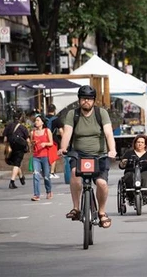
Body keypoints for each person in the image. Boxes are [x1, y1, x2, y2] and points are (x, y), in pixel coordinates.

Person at [58, 85, 117, 229]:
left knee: (102, 184)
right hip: (79, 155)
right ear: (79, 100)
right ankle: (76, 208)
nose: (86, 101)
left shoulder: (101, 113)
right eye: (84, 98)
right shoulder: (73, 114)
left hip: (99, 156)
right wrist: (63, 148)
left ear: (94, 101)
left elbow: (109, 133)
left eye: (89, 99)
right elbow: (67, 133)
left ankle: (102, 212)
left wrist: (112, 150)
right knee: (74, 173)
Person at [119, 135, 147, 205]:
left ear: (145, 144)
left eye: (142, 142)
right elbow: (121, 166)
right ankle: (131, 197)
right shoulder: (129, 154)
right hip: (131, 171)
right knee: (129, 176)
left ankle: (144, 196)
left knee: (146, 177)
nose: (140, 144)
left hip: (145, 171)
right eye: (138, 142)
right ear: (135, 143)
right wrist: (123, 162)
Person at [29, 114, 54, 201]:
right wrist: (32, 143)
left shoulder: (47, 131)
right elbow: (31, 146)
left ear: (42, 122)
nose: (36, 122)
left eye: (38, 120)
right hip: (36, 156)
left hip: (45, 156)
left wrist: (45, 144)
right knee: (36, 175)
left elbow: (51, 143)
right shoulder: (33, 132)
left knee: (46, 176)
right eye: (35, 120)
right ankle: (36, 195)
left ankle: (49, 191)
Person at [3, 111, 30, 189]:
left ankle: (21, 177)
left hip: (11, 147)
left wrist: (8, 146)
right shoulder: (23, 128)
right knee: (17, 164)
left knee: (16, 163)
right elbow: (27, 140)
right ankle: (12, 182)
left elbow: (5, 139)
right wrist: (29, 147)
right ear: (21, 118)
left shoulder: (8, 126)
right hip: (20, 148)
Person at [46, 104, 64, 179]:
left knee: (45, 155)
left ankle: (45, 171)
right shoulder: (57, 119)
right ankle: (52, 172)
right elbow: (61, 131)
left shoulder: (43, 118)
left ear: (47, 110)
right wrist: (64, 139)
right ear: (54, 110)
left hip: (43, 139)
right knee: (53, 156)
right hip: (53, 140)